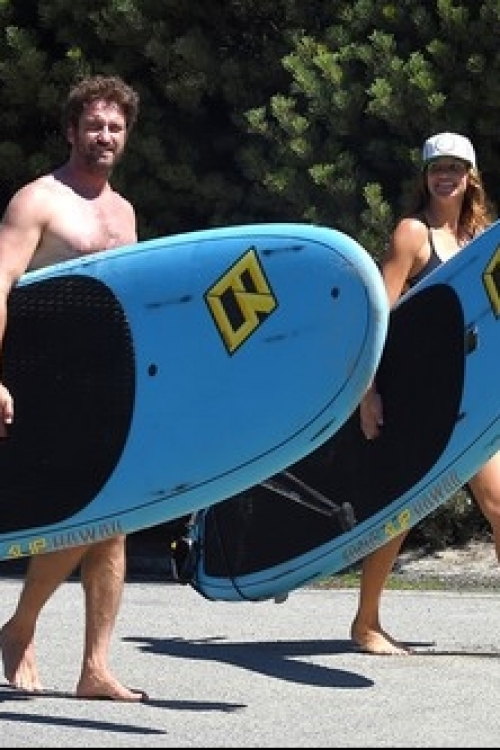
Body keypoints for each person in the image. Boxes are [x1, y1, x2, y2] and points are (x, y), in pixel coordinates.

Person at [0, 74, 145, 700]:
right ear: (70, 131)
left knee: (116, 521)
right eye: (93, 126)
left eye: (115, 127)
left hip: (109, 382)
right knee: (85, 515)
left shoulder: (124, 211)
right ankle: (22, 627)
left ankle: (94, 668)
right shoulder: (37, 201)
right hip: (44, 379)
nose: (104, 136)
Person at [351, 131, 500, 655]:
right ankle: (366, 623)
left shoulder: (481, 239)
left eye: (455, 167)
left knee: (499, 504)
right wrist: (368, 393)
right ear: (425, 176)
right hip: (416, 395)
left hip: (471, 398)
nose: (446, 176)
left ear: (470, 176)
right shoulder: (413, 234)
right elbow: (377, 316)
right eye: (438, 168)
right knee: (402, 511)